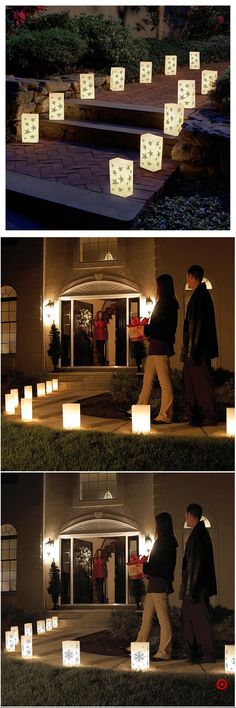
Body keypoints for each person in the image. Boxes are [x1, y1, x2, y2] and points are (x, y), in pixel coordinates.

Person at [126, 512, 178, 662]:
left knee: (163, 619)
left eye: (156, 523)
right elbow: (159, 564)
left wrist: (144, 567)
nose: (155, 526)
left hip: (159, 583)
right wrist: (146, 568)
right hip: (154, 582)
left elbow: (162, 565)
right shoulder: (163, 541)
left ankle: (165, 651)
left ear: (161, 524)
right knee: (147, 617)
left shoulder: (165, 542)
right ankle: (139, 645)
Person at [132, 274, 179, 424]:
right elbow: (160, 327)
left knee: (164, 382)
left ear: (162, 287)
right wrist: (148, 332)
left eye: (157, 285)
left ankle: (165, 415)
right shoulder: (166, 304)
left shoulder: (166, 305)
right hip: (155, 346)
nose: (156, 288)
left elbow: (162, 327)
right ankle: (140, 408)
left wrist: (145, 329)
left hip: (160, 346)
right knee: (148, 381)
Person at [181, 265, 219, 426]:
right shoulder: (200, 295)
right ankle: (192, 415)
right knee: (189, 382)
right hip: (194, 350)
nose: (187, 280)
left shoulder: (200, 296)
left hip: (197, 351)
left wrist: (193, 352)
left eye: (187, 277)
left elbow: (197, 326)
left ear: (191, 276)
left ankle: (209, 416)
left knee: (202, 384)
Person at [181, 503, 217, 663]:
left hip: (196, 588)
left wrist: (191, 589)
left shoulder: (198, 535)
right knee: (189, 620)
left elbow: (196, 564)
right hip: (193, 587)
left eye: (186, 515)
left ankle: (207, 654)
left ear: (190, 515)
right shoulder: (198, 533)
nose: (185, 518)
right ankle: (191, 652)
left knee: (200, 621)